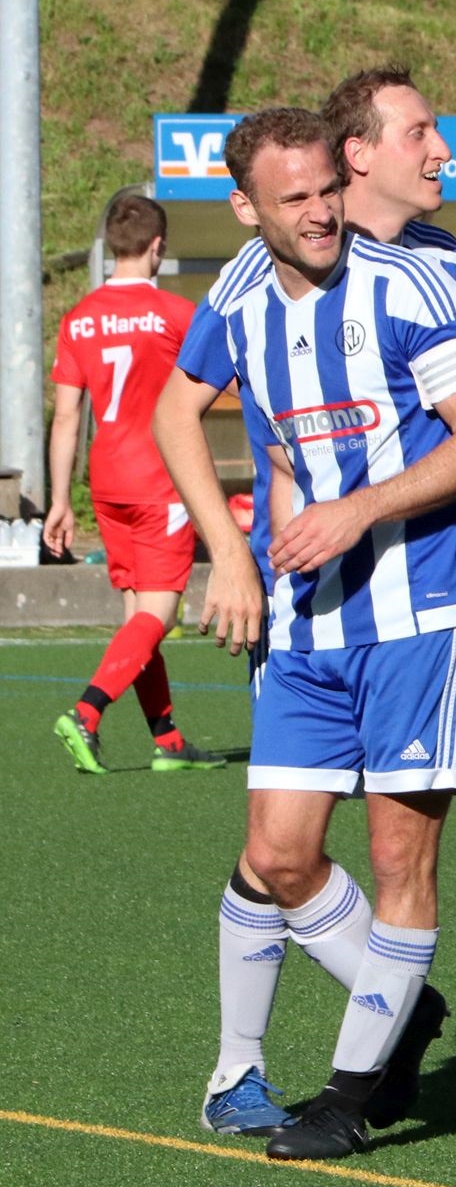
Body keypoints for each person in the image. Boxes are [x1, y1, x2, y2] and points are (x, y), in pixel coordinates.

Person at [167, 69, 456, 1145]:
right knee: (279, 851)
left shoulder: (424, 269)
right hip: (312, 610)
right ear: (354, 151)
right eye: (421, 131)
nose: (443, 152)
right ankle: (346, 1025)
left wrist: (350, 510)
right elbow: (198, 411)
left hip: (431, 602)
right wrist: (237, 557)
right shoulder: (246, 282)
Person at [44, 193, 224, 775]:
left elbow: (67, 416)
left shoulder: (79, 317)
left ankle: (167, 739)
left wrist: (57, 502)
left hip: (107, 480)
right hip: (160, 479)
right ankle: (87, 712)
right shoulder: (176, 313)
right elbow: (219, 385)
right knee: (160, 613)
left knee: (138, 621)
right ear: (157, 247)